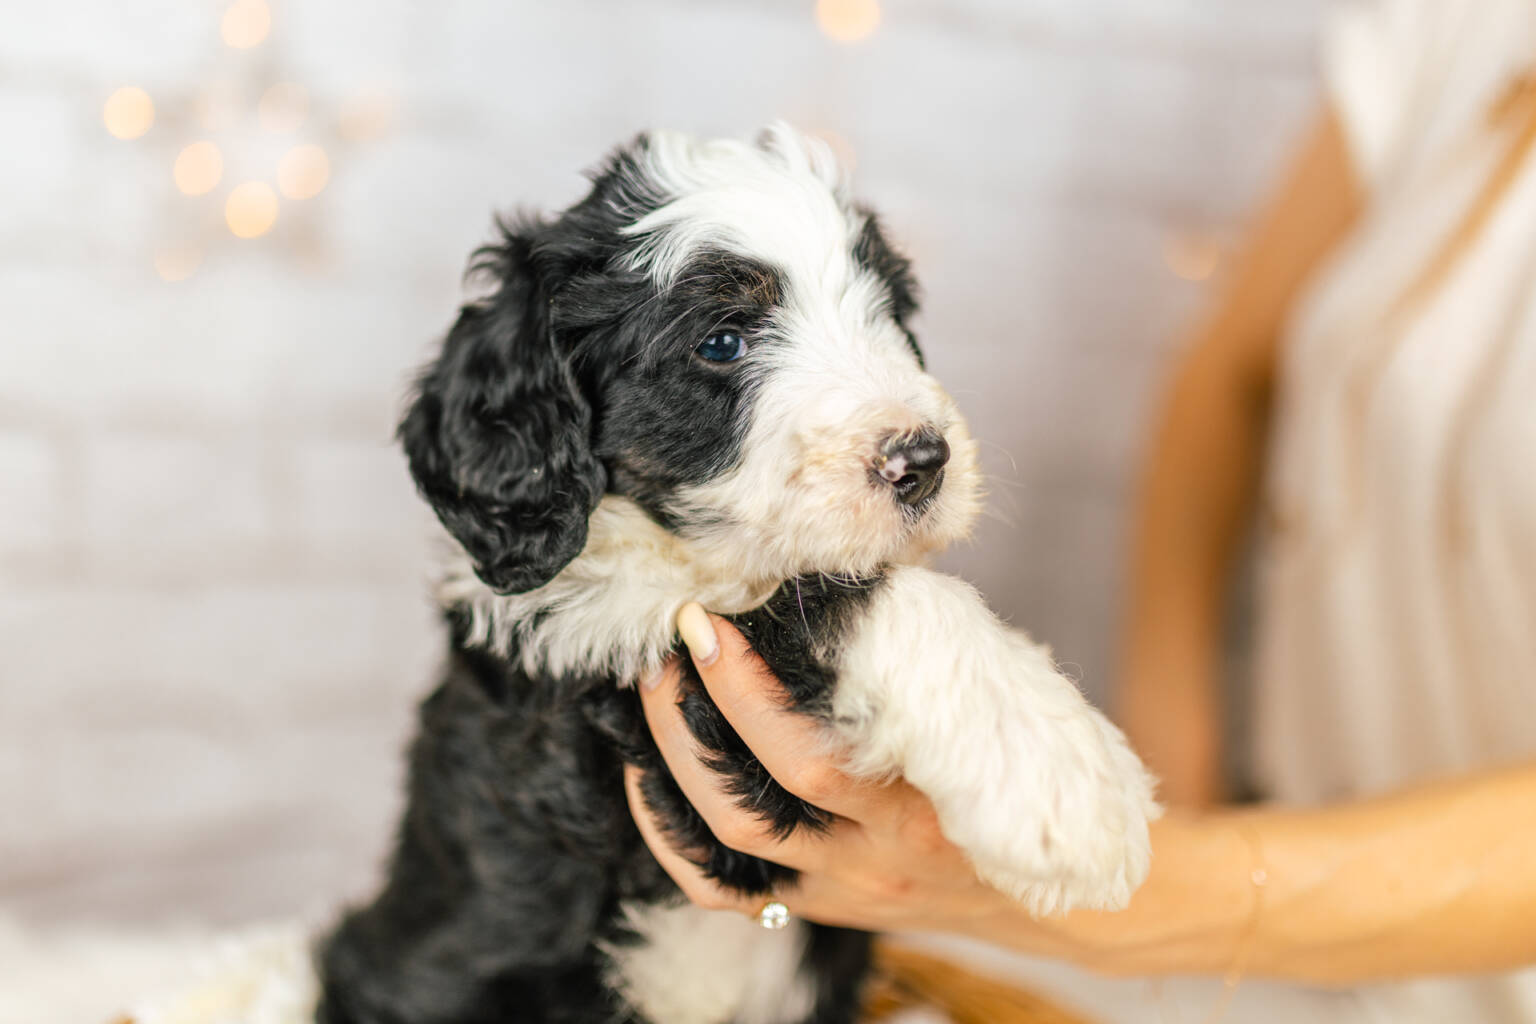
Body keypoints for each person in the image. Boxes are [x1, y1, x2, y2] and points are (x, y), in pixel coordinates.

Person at [626, 0, 1536, 1020]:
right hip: (1277, 925)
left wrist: (1165, 896)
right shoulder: (1468, 27)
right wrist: (1171, 760)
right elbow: (1229, 376)